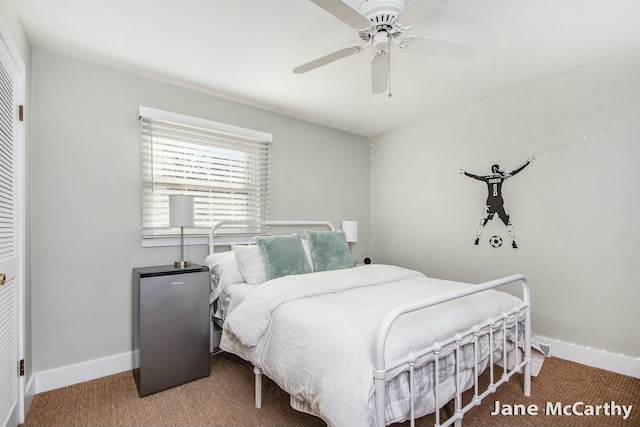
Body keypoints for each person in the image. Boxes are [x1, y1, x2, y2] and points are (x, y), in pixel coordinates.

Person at [460, 156, 535, 248]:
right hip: (499, 204)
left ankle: (477, 239)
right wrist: (528, 162)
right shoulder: (501, 177)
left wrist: (465, 173)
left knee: (483, 222)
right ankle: (513, 242)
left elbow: (476, 177)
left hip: (490, 204)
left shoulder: (488, 178)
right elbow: (515, 171)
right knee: (507, 223)